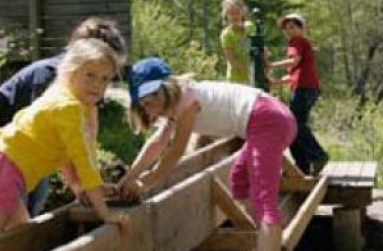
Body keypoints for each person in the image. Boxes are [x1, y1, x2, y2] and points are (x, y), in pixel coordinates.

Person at [118, 57, 297, 251]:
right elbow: (157, 143)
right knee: (239, 180)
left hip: (268, 120)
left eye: (152, 100)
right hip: (265, 119)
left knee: (264, 199)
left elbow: (175, 151)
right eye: (144, 105)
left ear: (166, 89)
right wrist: (129, 177)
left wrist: (146, 183)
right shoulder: (175, 106)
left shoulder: (186, 103)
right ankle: (267, 234)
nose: (150, 109)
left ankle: (269, 232)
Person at [0, 38, 130, 244]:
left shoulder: (66, 95)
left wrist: (79, 188)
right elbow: (83, 162)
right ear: (71, 71)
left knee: (20, 235)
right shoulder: (68, 107)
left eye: (105, 79)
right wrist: (105, 213)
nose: (98, 85)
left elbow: (63, 154)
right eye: (90, 75)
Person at [268, 13, 328, 175]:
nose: (289, 31)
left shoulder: (297, 42)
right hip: (306, 88)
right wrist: (274, 83)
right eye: (286, 29)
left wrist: (270, 65)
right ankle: (303, 165)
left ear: (301, 28)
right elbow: (293, 74)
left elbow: (293, 61)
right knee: (293, 124)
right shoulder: (301, 44)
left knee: (294, 124)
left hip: (305, 89)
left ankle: (317, 156)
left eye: (292, 27)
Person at [220, 0, 257, 85]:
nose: (235, 16)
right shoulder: (227, 34)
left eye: (237, 12)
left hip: (252, 73)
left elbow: (257, 44)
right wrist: (244, 68)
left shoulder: (250, 27)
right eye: (231, 13)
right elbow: (231, 59)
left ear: (242, 12)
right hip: (236, 77)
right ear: (226, 15)